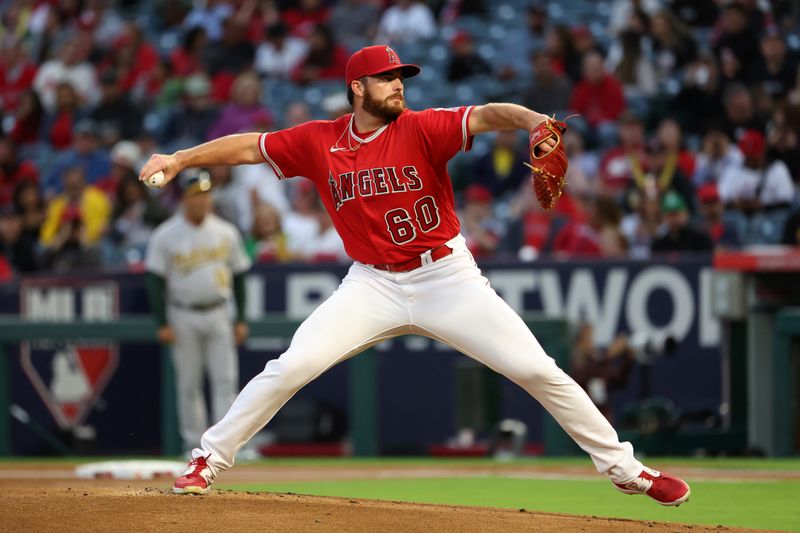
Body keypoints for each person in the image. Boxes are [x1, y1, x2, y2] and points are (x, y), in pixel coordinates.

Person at [140, 44, 690, 505]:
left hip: (446, 277)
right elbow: (250, 148)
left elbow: (487, 114)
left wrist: (533, 121)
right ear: (358, 88)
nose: (399, 85)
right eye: (388, 78)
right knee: (292, 366)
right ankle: (207, 460)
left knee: (537, 369)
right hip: (372, 283)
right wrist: (183, 159)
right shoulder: (319, 140)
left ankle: (625, 469)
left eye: (402, 76)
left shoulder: (423, 128)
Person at [144, 170, 251, 455]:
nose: (203, 200)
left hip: (219, 311)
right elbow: (154, 279)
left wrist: (241, 318)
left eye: (206, 193)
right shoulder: (165, 234)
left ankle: (227, 446)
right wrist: (161, 321)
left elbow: (239, 275)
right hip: (182, 314)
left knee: (225, 381)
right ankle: (193, 443)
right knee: (189, 383)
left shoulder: (226, 231)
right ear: (183, 199)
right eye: (196, 195)